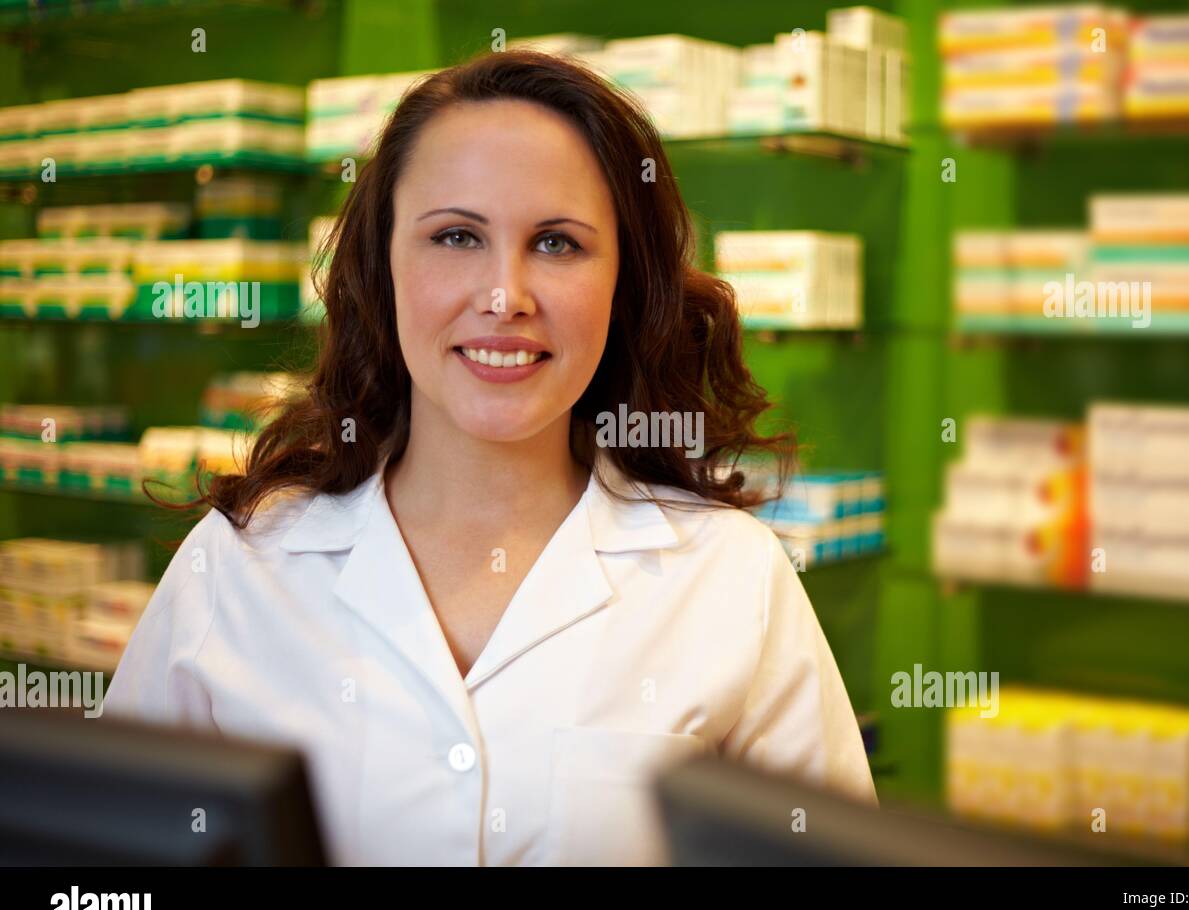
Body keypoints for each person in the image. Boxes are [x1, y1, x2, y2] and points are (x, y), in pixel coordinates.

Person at [103, 49, 877, 866]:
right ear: (382, 267)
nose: (506, 295)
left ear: (625, 283)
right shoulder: (240, 569)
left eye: (557, 243)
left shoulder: (731, 580)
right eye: (457, 236)